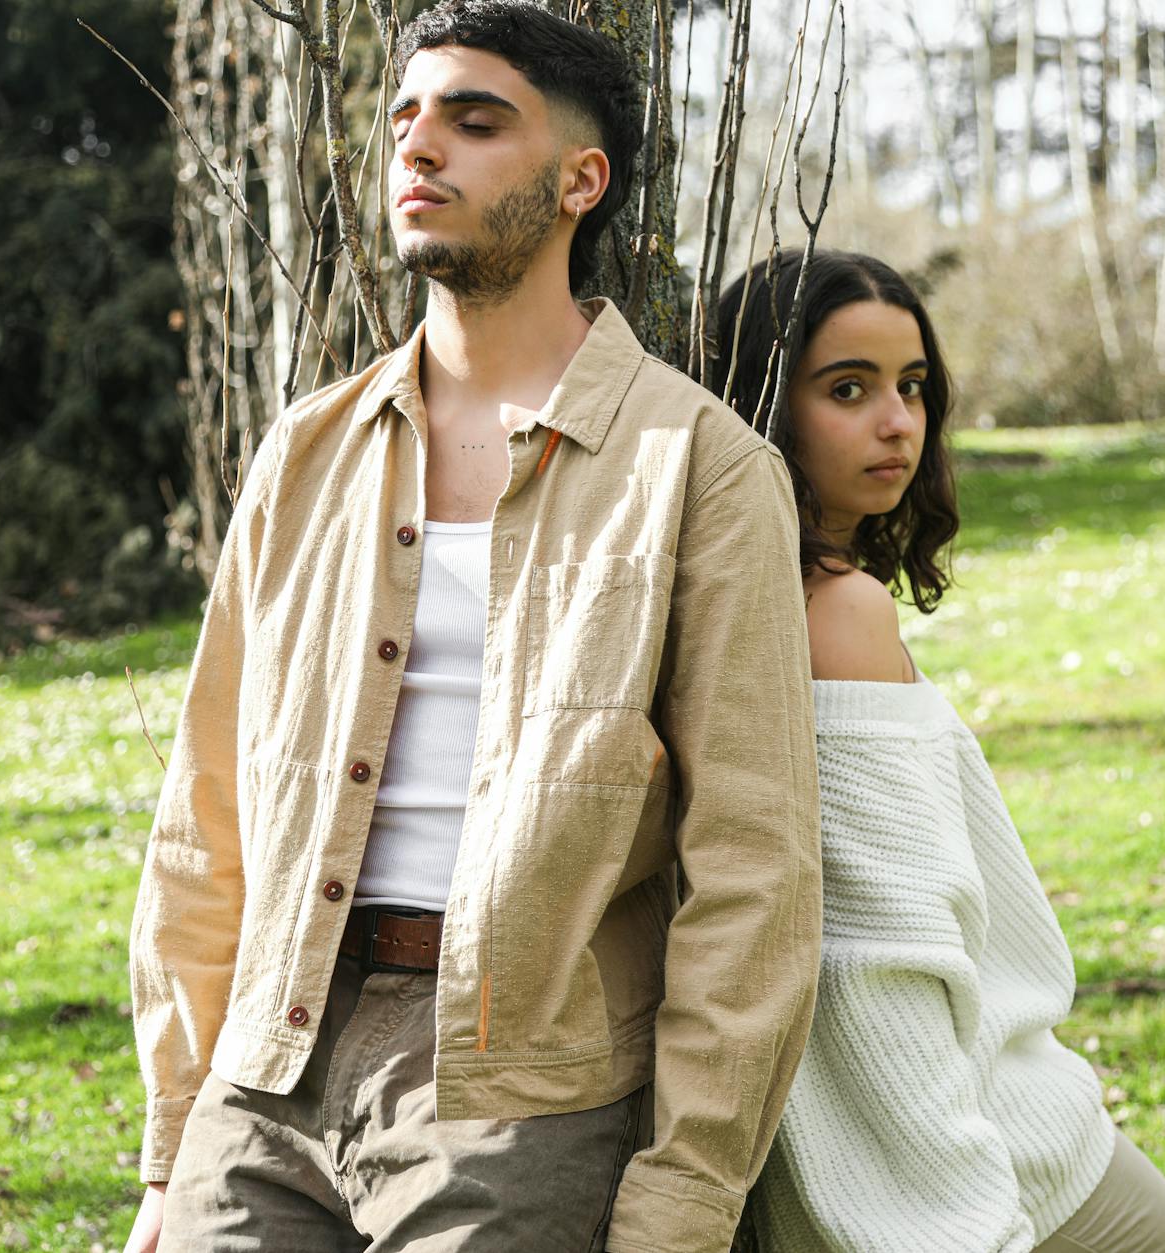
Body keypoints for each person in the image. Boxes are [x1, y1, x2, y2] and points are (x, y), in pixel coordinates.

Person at [121, 5, 822, 1251]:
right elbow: (206, 810)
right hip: (264, 1064)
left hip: (518, 1090)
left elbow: (753, 871)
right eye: (405, 118)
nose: (418, 147)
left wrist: (685, 1193)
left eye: (473, 120)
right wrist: (174, 1140)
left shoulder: (698, 469)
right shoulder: (307, 455)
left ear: (578, 180)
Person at [711, 250, 1165, 1253]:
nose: (896, 421)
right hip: (978, 1132)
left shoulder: (743, 590)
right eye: (845, 389)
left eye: (912, 386)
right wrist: (955, 1196)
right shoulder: (836, 611)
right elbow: (883, 946)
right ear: (762, 402)